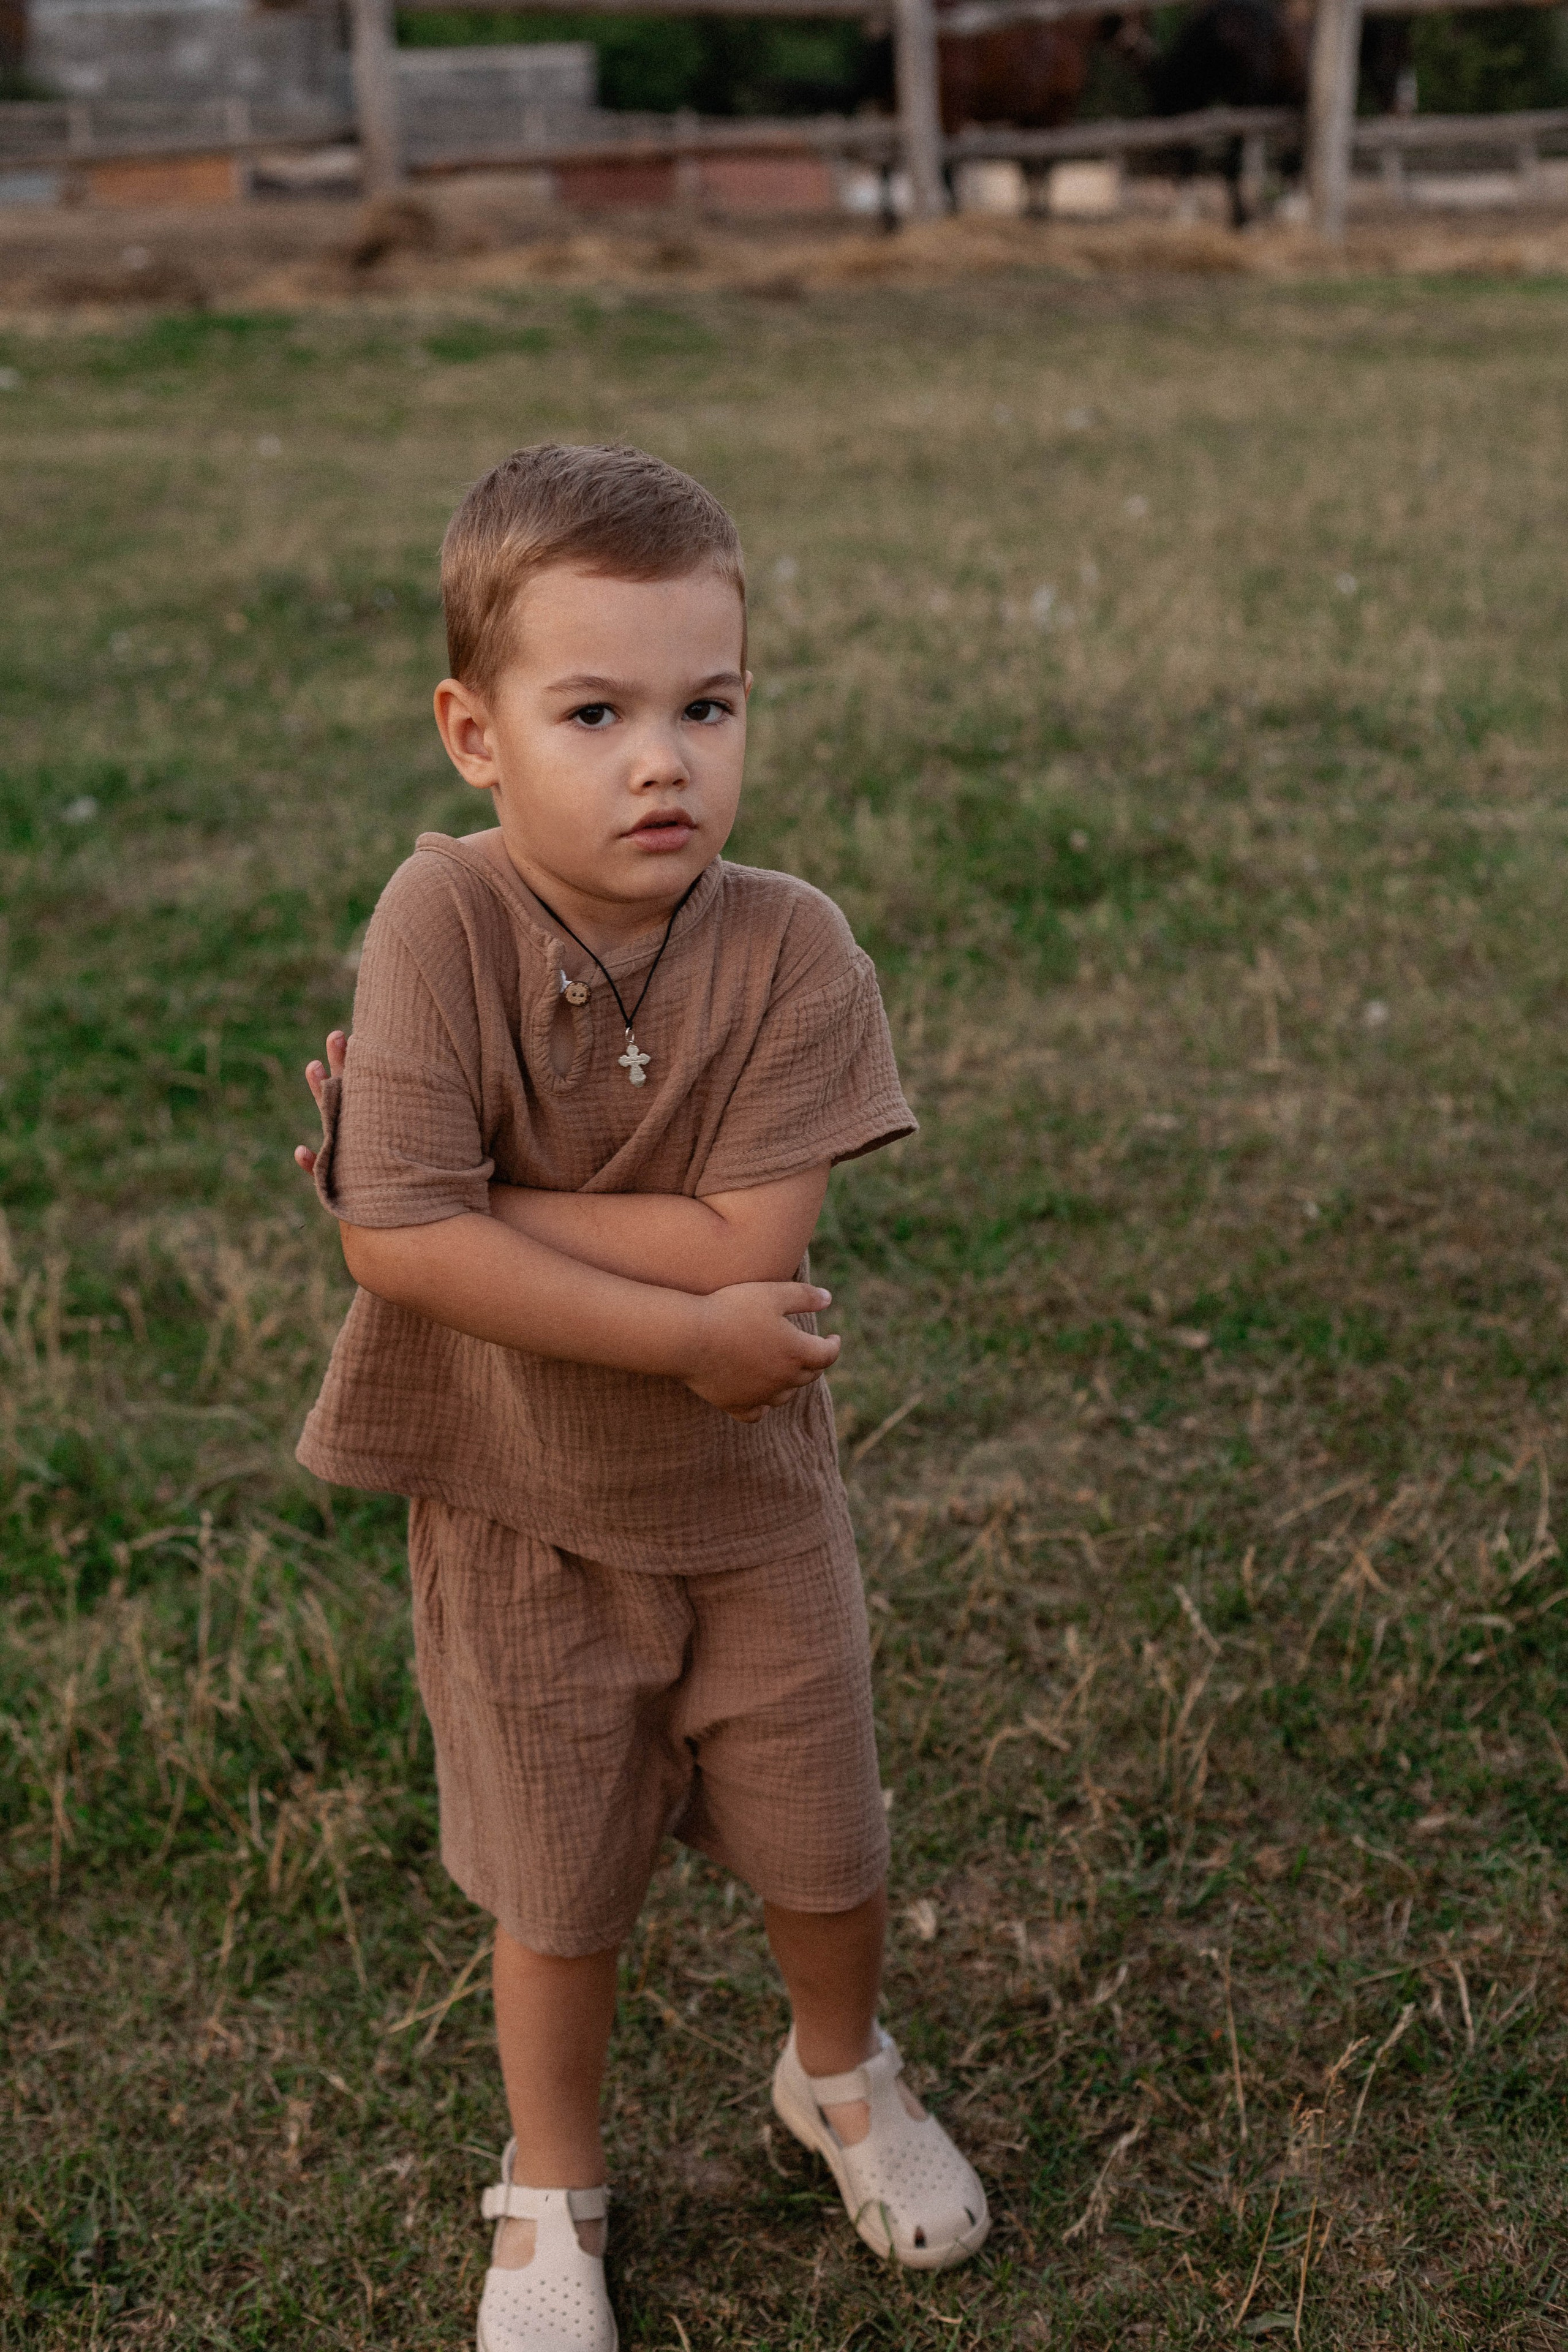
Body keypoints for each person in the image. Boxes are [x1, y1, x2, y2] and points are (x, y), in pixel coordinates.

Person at [293, 442, 988, 2352]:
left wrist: (446, 1196)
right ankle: (551, 2182)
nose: (661, 758)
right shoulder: (438, 925)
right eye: (593, 710)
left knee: (828, 1844)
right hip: (517, 1507)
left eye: (708, 704)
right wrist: (608, 1284)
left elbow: (748, 1242)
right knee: (555, 1883)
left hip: (755, 1517)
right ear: (475, 730)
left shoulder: (795, 950)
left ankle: (838, 2072)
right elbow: (397, 1254)